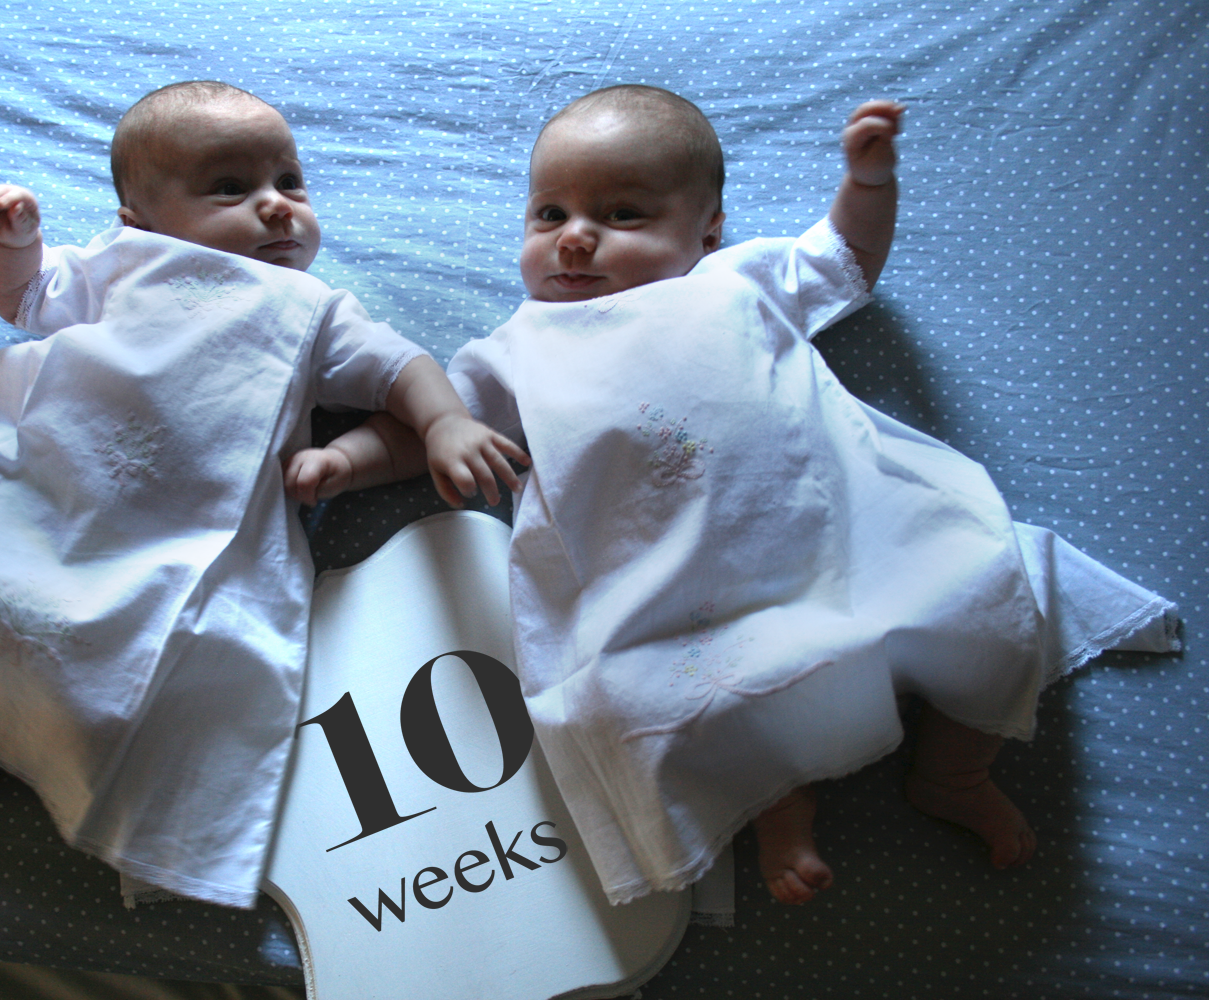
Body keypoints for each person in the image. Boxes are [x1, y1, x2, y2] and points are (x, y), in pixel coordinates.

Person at [289, 85, 1180, 907]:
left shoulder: (737, 283)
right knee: (673, 699)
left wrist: (868, 183)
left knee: (982, 594)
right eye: (549, 213)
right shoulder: (517, 348)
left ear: (708, 232)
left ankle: (954, 773)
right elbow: (429, 428)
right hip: (674, 595)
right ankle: (777, 810)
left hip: (847, 541)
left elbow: (849, 257)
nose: (575, 238)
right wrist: (349, 461)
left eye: (621, 214)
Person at [0, 80, 523, 908]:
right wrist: (17, 244)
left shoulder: (314, 308)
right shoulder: (127, 261)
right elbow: (28, 301)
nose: (278, 205)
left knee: (109, 662)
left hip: (183, 527)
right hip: (42, 472)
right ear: (142, 222)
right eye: (231, 188)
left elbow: (398, 369)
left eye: (290, 181)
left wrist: (443, 423)